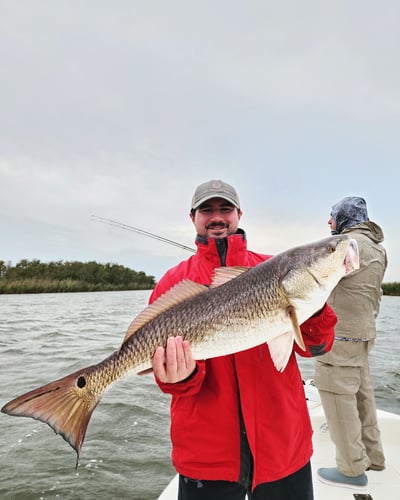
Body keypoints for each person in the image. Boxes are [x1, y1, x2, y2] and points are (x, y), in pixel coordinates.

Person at [149, 179, 337, 500]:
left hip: (281, 449)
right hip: (207, 456)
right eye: (207, 210)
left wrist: (314, 302)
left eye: (225, 209)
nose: (217, 217)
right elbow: (165, 376)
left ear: (239, 214)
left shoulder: (277, 269)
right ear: (192, 217)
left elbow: (316, 346)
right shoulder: (173, 282)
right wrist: (182, 378)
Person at [314, 196, 388, 490]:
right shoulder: (379, 249)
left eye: (332, 216)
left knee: (337, 397)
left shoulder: (345, 245)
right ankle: (374, 455)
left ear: (344, 217)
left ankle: (351, 469)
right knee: (362, 396)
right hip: (363, 337)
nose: (329, 222)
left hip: (338, 338)